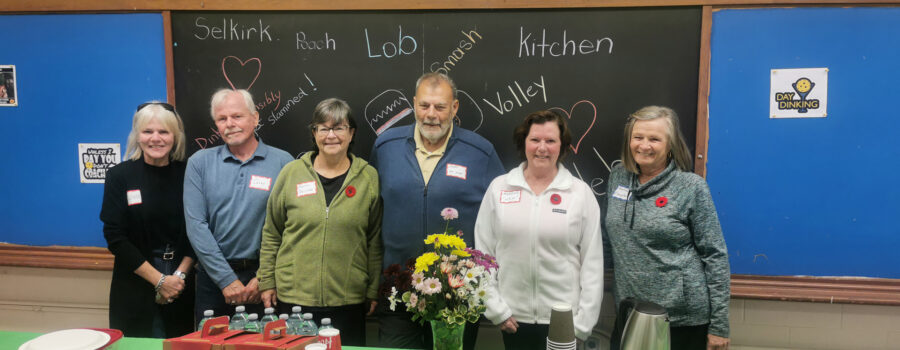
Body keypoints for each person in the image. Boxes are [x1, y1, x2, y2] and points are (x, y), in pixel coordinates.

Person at [370, 72, 505, 350]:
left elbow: (501, 218)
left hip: (456, 294)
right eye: (424, 106)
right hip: (398, 290)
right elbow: (372, 214)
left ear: (454, 108)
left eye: (440, 107)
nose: (431, 115)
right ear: (414, 104)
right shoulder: (386, 147)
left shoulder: (480, 153)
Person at [474, 110, 604, 350]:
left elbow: (593, 264)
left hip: (564, 320)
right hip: (512, 318)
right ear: (524, 142)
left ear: (562, 146)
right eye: (535, 140)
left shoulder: (579, 193)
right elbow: (483, 256)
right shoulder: (499, 189)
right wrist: (495, 309)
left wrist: (583, 324)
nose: (542, 148)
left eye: (550, 141)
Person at [257, 98, 383, 346]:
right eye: (323, 128)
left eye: (339, 128)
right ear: (314, 133)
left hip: (348, 300)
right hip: (294, 300)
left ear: (351, 133)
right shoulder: (291, 173)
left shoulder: (368, 177)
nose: (331, 136)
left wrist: (372, 289)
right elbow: (272, 232)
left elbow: (374, 239)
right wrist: (267, 281)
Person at [605, 106, 730, 350]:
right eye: (638, 137)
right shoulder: (618, 177)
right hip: (629, 312)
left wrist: (719, 326)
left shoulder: (691, 187)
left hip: (681, 319)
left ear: (670, 144)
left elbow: (715, 256)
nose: (644, 145)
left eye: (654, 139)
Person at [184, 89, 294, 322]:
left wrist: (264, 277)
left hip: (265, 281)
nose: (230, 124)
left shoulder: (284, 162)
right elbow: (196, 226)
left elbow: (291, 226)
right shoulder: (199, 164)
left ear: (255, 118)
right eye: (222, 119)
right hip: (213, 281)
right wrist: (226, 280)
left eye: (237, 116)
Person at [100, 102, 195, 337]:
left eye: (163, 132)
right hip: (135, 282)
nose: (156, 138)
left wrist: (178, 278)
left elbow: (200, 228)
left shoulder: (190, 173)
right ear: (137, 136)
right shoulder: (119, 176)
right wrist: (159, 280)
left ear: (175, 136)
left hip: (180, 282)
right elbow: (115, 236)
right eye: (147, 131)